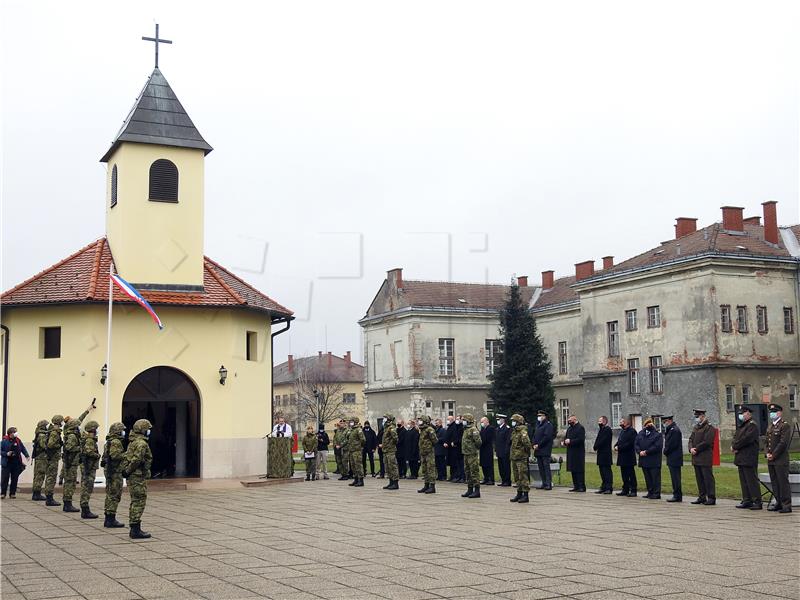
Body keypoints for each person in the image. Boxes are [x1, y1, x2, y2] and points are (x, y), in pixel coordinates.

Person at [60, 403, 94, 511]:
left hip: (71, 461)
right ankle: (67, 504)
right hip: (71, 462)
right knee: (70, 482)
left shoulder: (70, 432)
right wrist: (79, 449)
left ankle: (67, 503)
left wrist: (87, 410)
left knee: (70, 482)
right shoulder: (72, 435)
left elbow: (79, 419)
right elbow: (70, 448)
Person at [123, 418, 153, 539]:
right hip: (137, 476)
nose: (149, 431)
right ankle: (135, 529)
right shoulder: (141, 443)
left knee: (135, 500)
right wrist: (128, 470)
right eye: (148, 429)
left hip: (134, 475)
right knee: (139, 500)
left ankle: (134, 527)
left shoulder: (133, 441)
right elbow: (136, 460)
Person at [731, 406, 761, 510]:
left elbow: (746, 439)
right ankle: (747, 500)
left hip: (749, 457)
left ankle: (757, 501)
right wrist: (733, 445)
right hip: (741, 457)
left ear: (748, 413)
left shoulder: (752, 426)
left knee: (751, 480)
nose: (741, 415)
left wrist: (735, 446)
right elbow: (736, 437)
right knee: (744, 480)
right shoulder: (742, 426)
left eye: (743, 413)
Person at [765, 403, 792, 514]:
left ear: (779, 413)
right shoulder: (771, 426)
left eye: (774, 412)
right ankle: (778, 502)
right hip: (771, 459)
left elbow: (783, 443)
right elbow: (767, 442)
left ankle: (786, 504)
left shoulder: (784, 426)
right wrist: (767, 453)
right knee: (775, 482)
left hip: (780, 459)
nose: (772, 414)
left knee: (782, 482)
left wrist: (773, 454)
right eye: (771, 412)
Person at [688, 408, 717, 506]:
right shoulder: (696, 427)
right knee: (699, 478)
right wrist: (691, 448)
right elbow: (691, 439)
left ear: (703, 416)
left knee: (707, 478)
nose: (696, 419)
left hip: (705, 457)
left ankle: (711, 497)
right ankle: (702, 496)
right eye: (695, 417)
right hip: (696, 458)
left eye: (697, 417)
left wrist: (696, 449)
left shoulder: (709, 428)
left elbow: (707, 442)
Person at [101, 422, 126, 528]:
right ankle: (111, 518)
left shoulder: (109, 441)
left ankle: (108, 517)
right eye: (122, 430)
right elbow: (115, 455)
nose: (124, 432)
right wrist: (127, 454)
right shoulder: (116, 442)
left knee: (110, 494)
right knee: (114, 495)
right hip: (115, 471)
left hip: (110, 470)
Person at [635, 418, 663, 499]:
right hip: (644, 460)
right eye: (647, 425)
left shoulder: (657, 434)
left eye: (650, 424)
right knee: (647, 477)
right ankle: (650, 492)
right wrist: (639, 451)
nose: (648, 426)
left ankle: (656, 493)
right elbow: (636, 443)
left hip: (653, 460)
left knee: (655, 477)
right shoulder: (641, 433)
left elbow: (657, 446)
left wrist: (646, 452)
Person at [79, 420, 101, 518]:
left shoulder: (89, 439)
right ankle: (85, 510)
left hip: (89, 466)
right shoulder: (89, 440)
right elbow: (88, 452)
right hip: (88, 467)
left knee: (87, 487)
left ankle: (85, 509)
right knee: (87, 487)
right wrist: (97, 455)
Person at [1, 427, 29, 499]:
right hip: (7, 462)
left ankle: (12, 493)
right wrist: (6, 453)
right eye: (15, 432)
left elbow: (22, 448)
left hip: (16, 462)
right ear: (11, 433)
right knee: (5, 478)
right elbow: (0, 451)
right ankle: (3, 493)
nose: (16, 433)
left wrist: (27, 455)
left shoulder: (18, 440)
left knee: (15, 478)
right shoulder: (4, 441)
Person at [509, 414, 532, 503]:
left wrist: (525, 454)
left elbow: (527, 444)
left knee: (523, 476)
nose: (512, 422)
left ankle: (525, 495)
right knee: (517, 477)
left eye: (514, 421)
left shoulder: (523, 431)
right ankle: (519, 493)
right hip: (514, 457)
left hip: (521, 457)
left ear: (518, 422)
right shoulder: (515, 431)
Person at [43, 414, 64, 506]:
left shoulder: (53, 431)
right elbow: (50, 445)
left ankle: (49, 497)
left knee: (50, 477)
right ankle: (49, 498)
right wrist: (59, 445)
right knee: (51, 478)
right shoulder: (55, 433)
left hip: (52, 458)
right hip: (52, 458)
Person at [460, 414, 482, 499]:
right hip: (466, 454)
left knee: (474, 472)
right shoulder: (466, 429)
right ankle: (470, 489)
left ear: (468, 420)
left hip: (472, 454)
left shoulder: (473, 429)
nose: (463, 421)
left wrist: (473, 448)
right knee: (467, 472)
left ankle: (477, 490)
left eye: (464, 420)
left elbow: (479, 442)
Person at [614, 418, 637, 497]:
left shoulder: (632, 431)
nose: (620, 424)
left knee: (631, 474)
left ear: (627, 423)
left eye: (622, 422)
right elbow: (619, 441)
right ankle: (625, 489)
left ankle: (633, 490)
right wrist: (616, 445)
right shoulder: (622, 431)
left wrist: (619, 448)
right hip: (622, 457)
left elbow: (630, 443)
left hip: (629, 456)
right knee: (624, 474)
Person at [662, 416, 683, 502]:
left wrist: (665, 451)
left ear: (670, 421)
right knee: (674, 477)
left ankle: (677, 495)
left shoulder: (674, 430)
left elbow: (672, 444)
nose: (664, 423)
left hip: (675, 457)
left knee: (676, 477)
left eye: (665, 421)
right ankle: (676, 494)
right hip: (672, 457)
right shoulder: (671, 429)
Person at [563, 415, 586, 492]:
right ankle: (576, 486)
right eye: (568, 421)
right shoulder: (569, 429)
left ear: (575, 419)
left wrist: (571, 441)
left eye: (570, 420)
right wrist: (565, 442)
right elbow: (566, 438)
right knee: (573, 469)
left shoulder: (580, 428)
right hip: (571, 451)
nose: (569, 422)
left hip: (578, 452)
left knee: (579, 469)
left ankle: (581, 486)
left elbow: (580, 439)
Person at [532, 411, 554, 490]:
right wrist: (534, 444)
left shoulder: (548, 425)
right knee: (541, 468)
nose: (539, 417)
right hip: (538, 450)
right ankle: (544, 483)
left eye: (540, 415)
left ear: (545, 416)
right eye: (538, 415)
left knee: (546, 467)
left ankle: (548, 483)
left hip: (544, 449)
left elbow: (547, 437)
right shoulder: (538, 425)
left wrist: (539, 445)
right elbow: (534, 435)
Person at [417, 415, 438, 494]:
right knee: (424, 469)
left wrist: (428, 445)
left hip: (429, 452)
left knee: (430, 469)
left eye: (421, 420)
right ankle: (426, 485)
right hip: (423, 452)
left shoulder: (429, 429)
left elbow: (435, 440)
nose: (419, 421)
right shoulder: (422, 429)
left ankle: (432, 486)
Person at [30, 419, 50, 501]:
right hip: (41, 457)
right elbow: (43, 445)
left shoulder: (40, 433)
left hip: (40, 457)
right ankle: (36, 494)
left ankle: (36, 493)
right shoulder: (42, 435)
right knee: (40, 475)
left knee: (38, 475)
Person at [593, 416, 613, 494]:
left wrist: (596, 445)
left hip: (606, 454)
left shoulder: (607, 430)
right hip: (600, 453)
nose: (599, 423)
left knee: (607, 471)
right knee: (602, 471)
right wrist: (595, 446)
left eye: (600, 421)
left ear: (604, 422)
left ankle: (609, 487)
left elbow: (603, 440)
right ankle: (603, 486)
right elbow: (598, 439)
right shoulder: (601, 430)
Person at [380, 414, 399, 490]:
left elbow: (395, 439)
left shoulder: (391, 428)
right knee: (387, 467)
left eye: (385, 418)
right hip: (386, 450)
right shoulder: (386, 428)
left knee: (392, 466)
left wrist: (390, 444)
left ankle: (395, 483)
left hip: (390, 450)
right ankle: (391, 482)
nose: (383, 419)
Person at [347, 417, 366, 487]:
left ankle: (361, 480)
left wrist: (359, 446)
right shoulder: (351, 430)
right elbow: (348, 437)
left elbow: (363, 440)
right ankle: (356, 479)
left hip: (357, 450)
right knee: (353, 466)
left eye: (351, 421)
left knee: (358, 465)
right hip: (351, 450)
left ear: (355, 422)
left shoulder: (358, 430)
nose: (350, 423)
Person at [494, 414, 512, 487]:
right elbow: (496, 440)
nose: (498, 421)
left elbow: (508, 441)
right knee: (501, 466)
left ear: (503, 420)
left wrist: (506, 450)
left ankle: (507, 481)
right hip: (499, 450)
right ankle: (503, 480)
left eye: (499, 419)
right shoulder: (497, 429)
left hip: (505, 451)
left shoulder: (507, 428)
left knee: (506, 466)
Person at [479, 416, 496, 486]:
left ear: (486, 421)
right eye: (481, 422)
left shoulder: (490, 428)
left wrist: (480, 441)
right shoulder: (482, 429)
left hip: (487, 449)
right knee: (483, 464)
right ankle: (485, 478)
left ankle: (491, 479)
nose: (481, 423)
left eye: (482, 422)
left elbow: (486, 438)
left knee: (489, 465)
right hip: (482, 449)